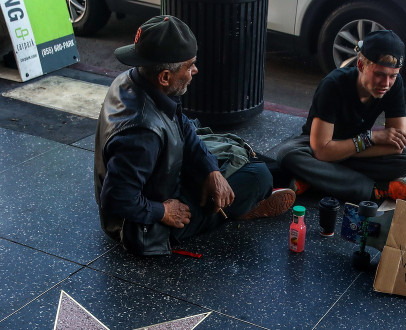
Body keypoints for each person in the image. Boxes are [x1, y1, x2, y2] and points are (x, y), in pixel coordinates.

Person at [94, 15, 295, 255]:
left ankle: (254, 193)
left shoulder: (136, 79)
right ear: (165, 76)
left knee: (250, 159)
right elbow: (116, 199)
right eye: (190, 66)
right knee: (259, 177)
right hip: (145, 226)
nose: (195, 70)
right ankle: (243, 206)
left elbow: (182, 125)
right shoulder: (141, 135)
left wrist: (211, 171)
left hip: (161, 178)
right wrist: (164, 211)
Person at [277, 30, 406, 203]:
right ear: (360, 65)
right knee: (287, 155)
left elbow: (396, 146)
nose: (386, 84)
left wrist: (339, 153)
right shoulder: (333, 84)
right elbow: (321, 150)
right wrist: (369, 139)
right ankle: (374, 190)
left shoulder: (394, 86)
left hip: (350, 151)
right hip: (317, 145)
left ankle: (318, 179)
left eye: (393, 76)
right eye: (379, 74)